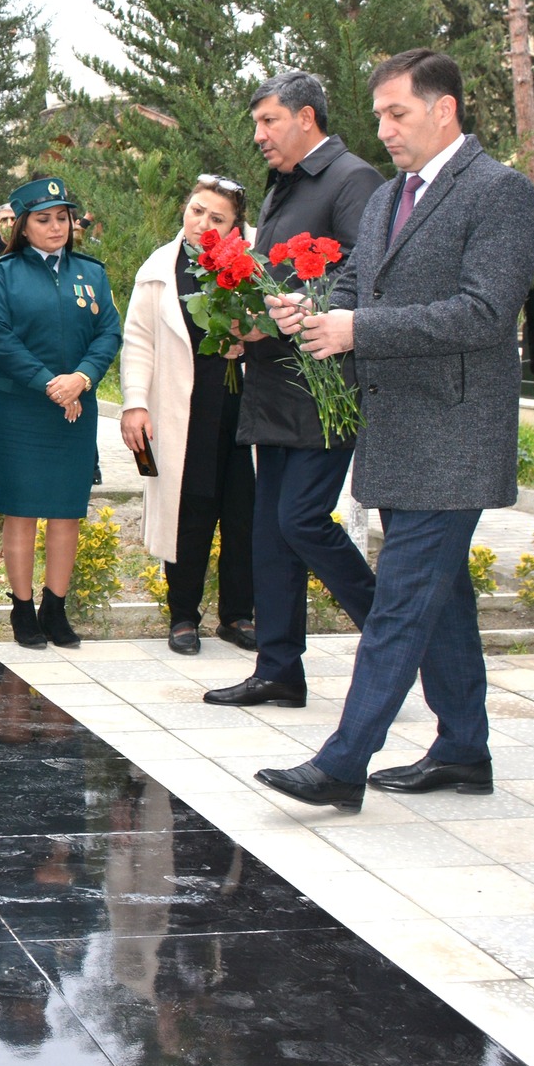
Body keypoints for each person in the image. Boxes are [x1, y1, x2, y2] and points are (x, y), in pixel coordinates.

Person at [257, 51, 534, 809]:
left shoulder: (501, 194)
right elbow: (356, 285)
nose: (382, 129)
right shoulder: (387, 199)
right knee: (441, 596)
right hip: (399, 431)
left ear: (443, 109)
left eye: (396, 114)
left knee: (403, 601)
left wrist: (358, 329)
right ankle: (462, 750)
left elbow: (485, 312)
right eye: (379, 115)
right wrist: (311, 309)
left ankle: (342, 763)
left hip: (454, 436)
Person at [204, 71, 381, 709]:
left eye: (268, 122)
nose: (259, 136)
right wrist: (240, 322)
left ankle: (391, 629)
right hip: (273, 383)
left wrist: (312, 305)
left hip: (324, 385)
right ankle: (279, 669)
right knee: (270, 531)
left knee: (300, 518)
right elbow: (268, 280)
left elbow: (369, 269)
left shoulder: (353, 179)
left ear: (306, 118)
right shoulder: (282, 188)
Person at [0, 176, 122, 650]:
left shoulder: (91, 273)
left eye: (62, 217)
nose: (57, 226)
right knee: (19, 510)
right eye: (44, 219)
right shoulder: (1, 274)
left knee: (66, 512)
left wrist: (80, 378)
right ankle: (21, 610)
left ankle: (54, 609)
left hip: (75, 408)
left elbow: (108, 334)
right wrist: (49, 383)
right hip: (23, 407)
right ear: (22, 225)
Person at [121, 179, 258, 655]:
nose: (203, 224)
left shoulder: (257, 261)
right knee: (190, 510)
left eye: (217, 219)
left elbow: (284, 321)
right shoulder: (159, 269)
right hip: (185, 409)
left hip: (248, 409)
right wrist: (135, 402)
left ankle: (239, 614)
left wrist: (254, 334)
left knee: (245, 512)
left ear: (236, 225)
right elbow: (138, 340)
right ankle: (184, 617)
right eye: (197, 211)